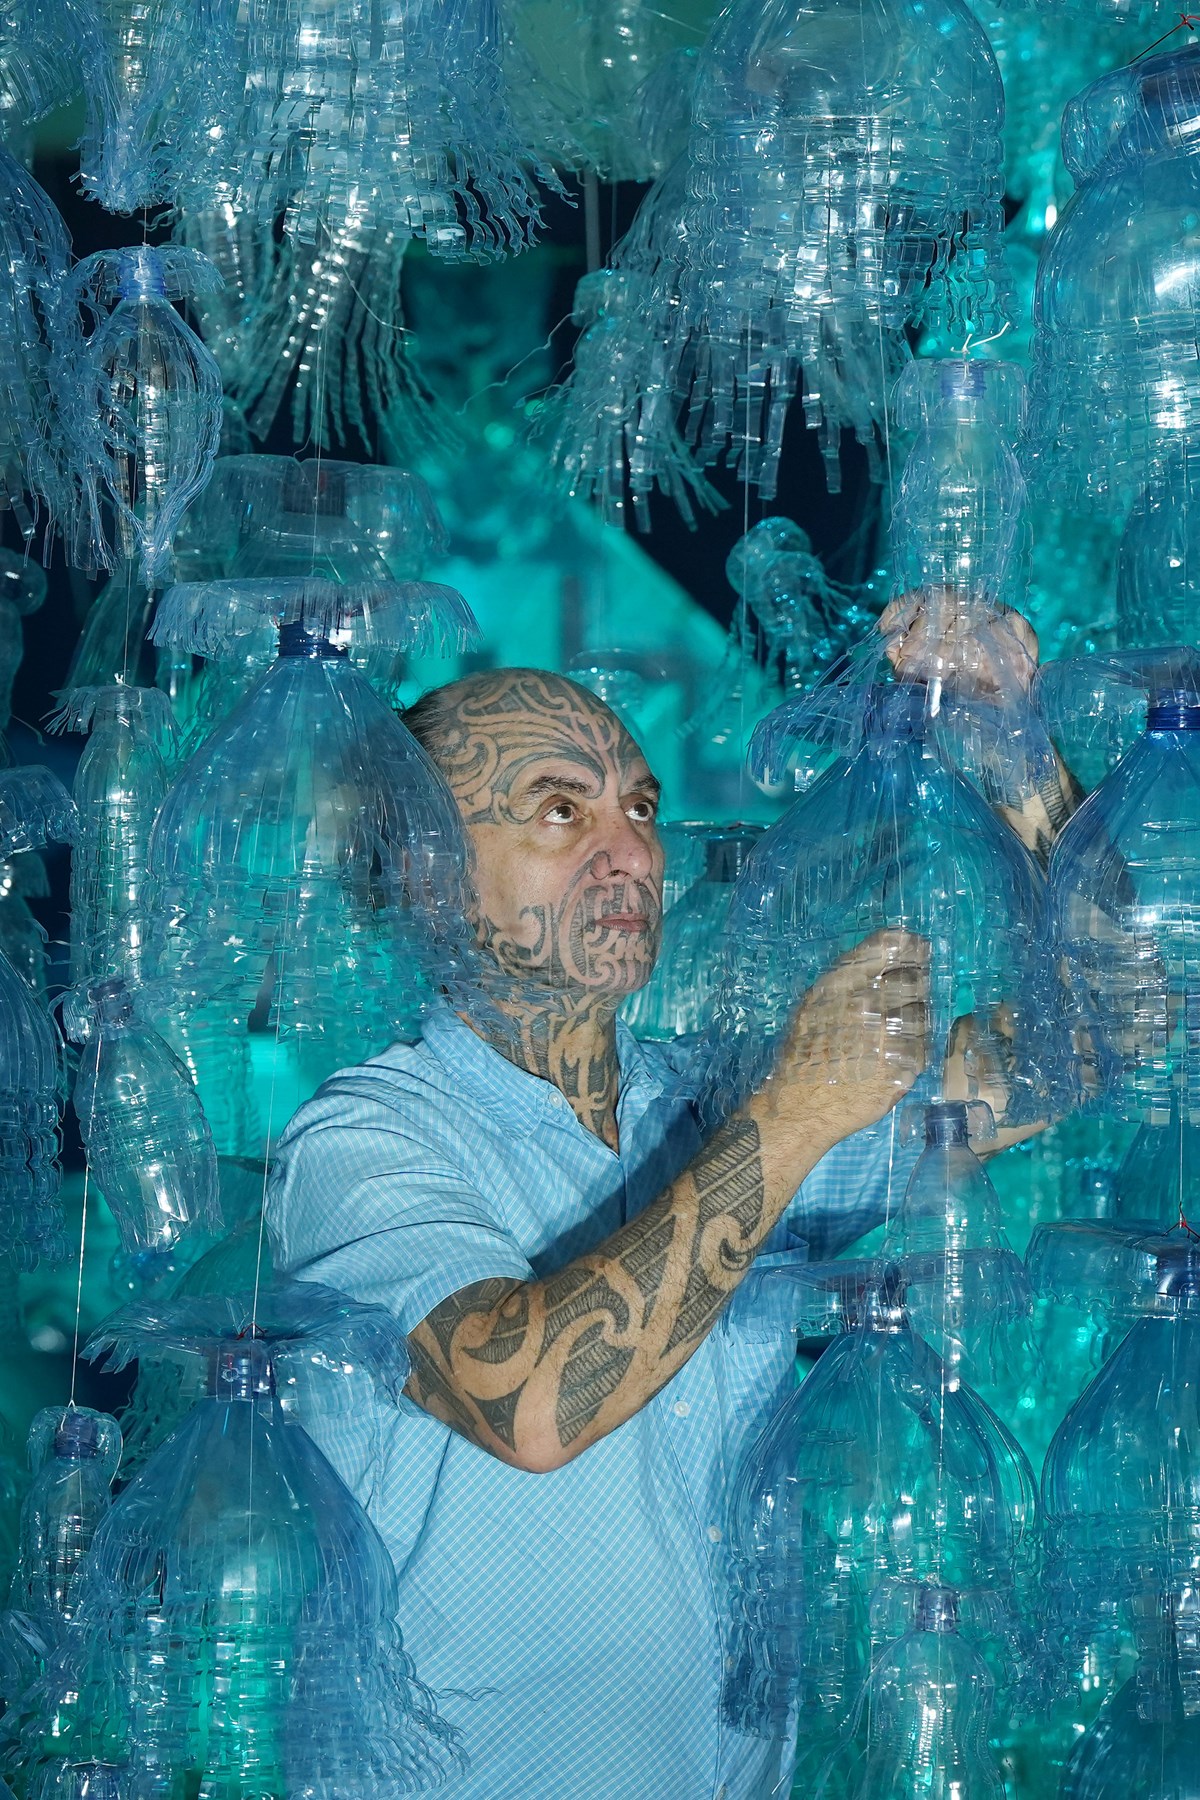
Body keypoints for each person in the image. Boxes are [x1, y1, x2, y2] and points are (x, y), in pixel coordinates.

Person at [267, 630, 1073, 1798]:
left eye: (639, 811)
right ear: (420, 869)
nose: (628, 856)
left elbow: (1094, 1044)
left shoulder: (711, 1099)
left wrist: (1019, 750)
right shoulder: (363, 1142)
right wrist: (795, 1113)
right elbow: (529, 1398)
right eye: (558, 812)